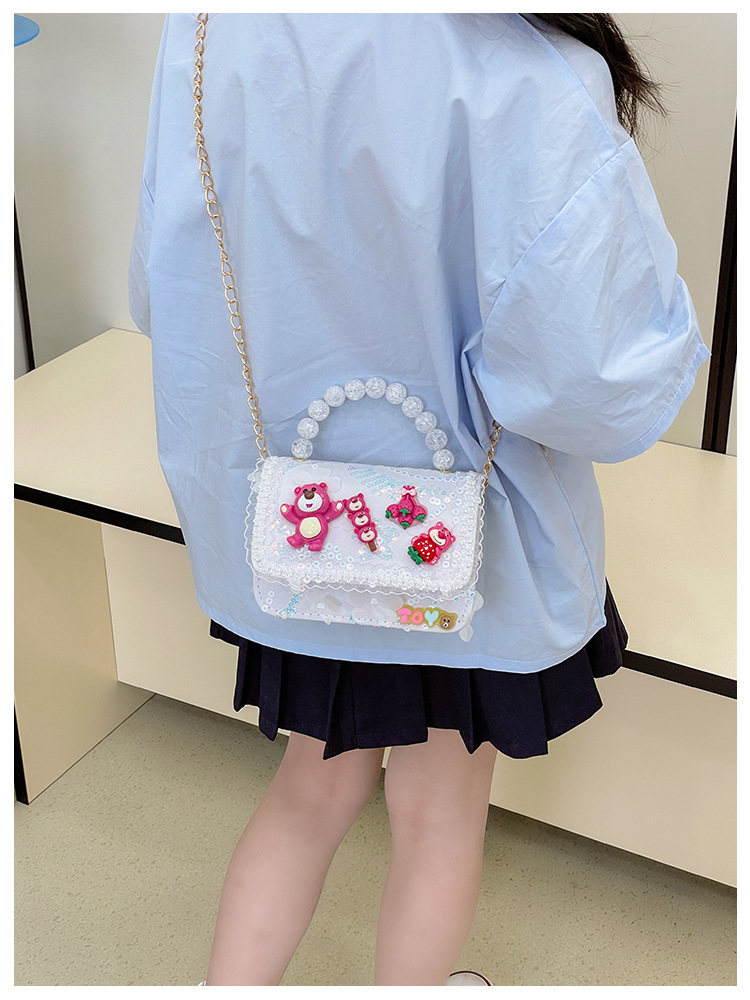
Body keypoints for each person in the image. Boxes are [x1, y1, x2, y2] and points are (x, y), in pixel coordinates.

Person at [128, 14, 710, 987]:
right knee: (438, 813)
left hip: (300, 536)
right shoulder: (534, 69)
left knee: (311, 789)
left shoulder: (210, 32)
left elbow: (166, 283)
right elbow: (596, 385)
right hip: (470, 558)